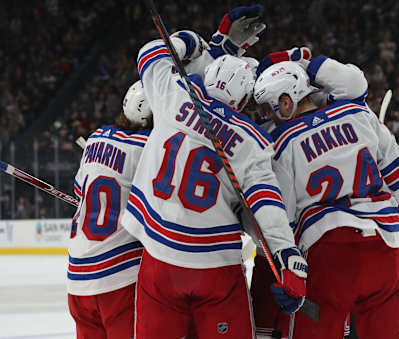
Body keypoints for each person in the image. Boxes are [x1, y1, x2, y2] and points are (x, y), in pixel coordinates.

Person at [121, 7, 307, 339]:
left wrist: (192, 42)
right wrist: (287, 256)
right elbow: (266, 204)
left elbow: (150, 53)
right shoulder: (252, 139)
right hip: (216, 263)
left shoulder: (173, 96)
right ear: (244, 99)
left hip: (160, 257)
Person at [253, 54, 399, 338]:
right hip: (383, 249)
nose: (265, 116)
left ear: (285, 101)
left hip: (329, 256)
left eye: (267, 108)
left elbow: (284, 218)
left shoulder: (282, 143)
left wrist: (288, 268)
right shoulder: (359, 114)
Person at [67, 80, 152, 339]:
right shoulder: (149, 147)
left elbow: (80, 191)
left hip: (77, 279)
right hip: (119, 277)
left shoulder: (96, 138)